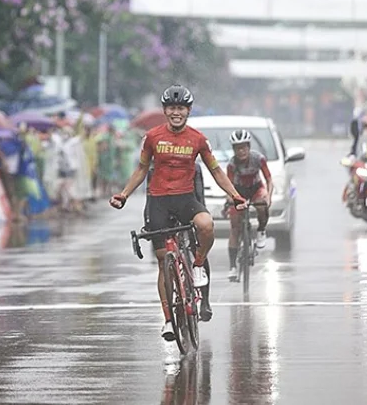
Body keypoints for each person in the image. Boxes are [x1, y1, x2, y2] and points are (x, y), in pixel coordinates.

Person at [109, 84, 246, 342]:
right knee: (163, 260)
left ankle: (196, 266)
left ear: (188, 110)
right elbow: (141, 169)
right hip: (158, 201)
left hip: (186, 199)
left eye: (180, 108)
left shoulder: (198, 139)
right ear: (165, 110)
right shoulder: (152, 137)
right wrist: (124, 194)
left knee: (206, 226)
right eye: (171, 108)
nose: (176, 112)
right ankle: (168, 320)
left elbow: (216, 170)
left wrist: (234, 194)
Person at [225, 129, 274, 280]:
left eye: (244, 147)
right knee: (234, 227)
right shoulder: (232, 165)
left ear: (249, 147)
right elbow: (228, 185)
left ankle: (261, 231)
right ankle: (232, 266)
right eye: (238, 148)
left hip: (255, 188)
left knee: (261, 205)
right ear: (234, 150)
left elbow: (269, 180)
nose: (241, 151)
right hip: (238, 191)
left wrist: (268, 197)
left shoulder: (258, 159)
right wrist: (230, 200)